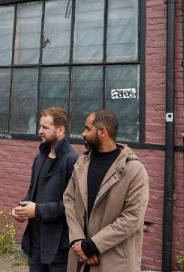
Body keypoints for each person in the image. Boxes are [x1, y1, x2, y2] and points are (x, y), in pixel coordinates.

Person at [63, 110, 150, 272]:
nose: (83, 133)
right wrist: (79, 241)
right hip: (80, 259)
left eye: (88, 129)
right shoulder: (82, 163)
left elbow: (132, 217)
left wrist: (94, 245)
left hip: (115, 262)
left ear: (102, 132)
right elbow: (69, 200)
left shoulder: (133, 170)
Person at [11, 108, 79, 272]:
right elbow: (33, 190)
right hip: (35, 245)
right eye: (40, 126)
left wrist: (37, 210)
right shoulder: (40, 157)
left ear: (60, 130)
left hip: (58, 249)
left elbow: (73, 205)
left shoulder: (73, 161)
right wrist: (22, 208)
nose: (40, 131)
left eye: (45, 127)